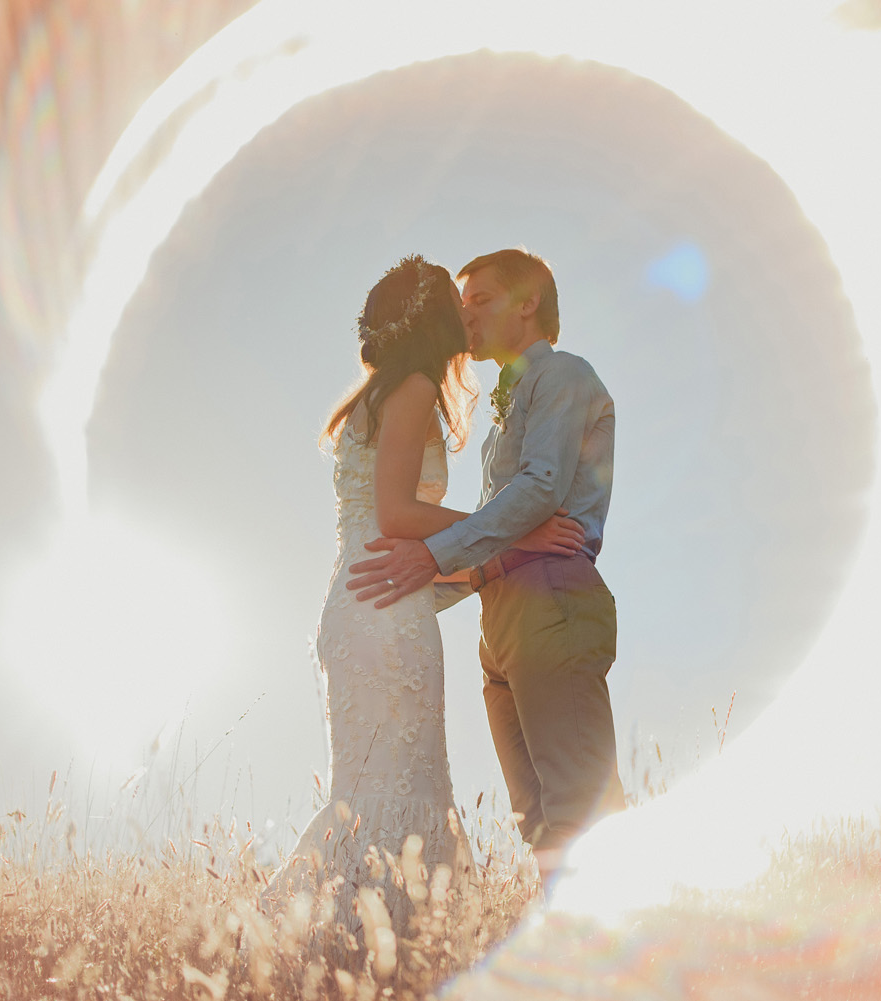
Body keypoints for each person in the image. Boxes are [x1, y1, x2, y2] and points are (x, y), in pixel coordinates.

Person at [266, 254, 583, 933]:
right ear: (432, 318)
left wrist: (488, 566)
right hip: (384, 621)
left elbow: (398, 547)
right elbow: (398, 516)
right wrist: (514, 532)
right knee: (398, 795)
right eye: (456, 303)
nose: (467, 317)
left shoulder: (376, 396)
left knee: (375, 795)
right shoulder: (411, 389)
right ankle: (379, 951)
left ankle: (352, 953)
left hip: (364, 604)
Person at [346, 248, 625, 883]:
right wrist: (433, 583)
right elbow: (499, 527)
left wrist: (433, 555)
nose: (466, 316)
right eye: (462, 304)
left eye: (482, 301)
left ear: (528, 304)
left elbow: (539, 491)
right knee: (538, 818)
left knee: (580, 804)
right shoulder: (506, 400)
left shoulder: (563, 376)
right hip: (501, 618)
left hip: (550, 598)